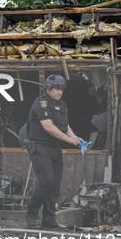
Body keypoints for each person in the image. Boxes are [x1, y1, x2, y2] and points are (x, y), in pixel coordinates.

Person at [25, 74, 80, 229]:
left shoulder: (62, 104)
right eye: (57, 89)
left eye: (61, 89)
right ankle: (31, 215)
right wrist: (68, 140)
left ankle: (48, 221)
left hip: (55, 149)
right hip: (40, 148)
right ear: (48, 89)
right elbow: (49, 128)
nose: (59, 92)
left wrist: (75, 137)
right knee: (46, 181)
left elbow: (65, 125)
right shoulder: (41, 104)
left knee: (55, 185)